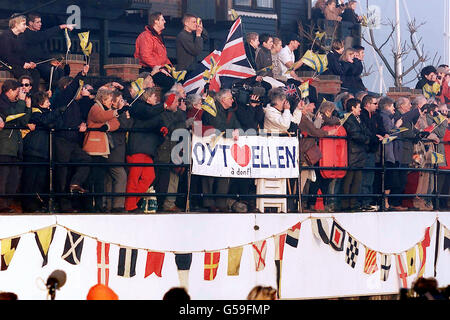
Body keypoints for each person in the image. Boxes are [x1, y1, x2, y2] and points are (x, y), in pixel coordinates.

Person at [52, 64, 91, 213]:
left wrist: (81, 125)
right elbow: (71, 89)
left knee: (86, 160)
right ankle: (64, 205)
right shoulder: (62, 99)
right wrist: (81, 74)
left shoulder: (75, 103)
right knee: (62, 172)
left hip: (73, 141)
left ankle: (75, 184)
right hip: (62, 140)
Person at [22, 91, 63, 213]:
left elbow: (57, 124)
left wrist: (56, 114)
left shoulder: (48, 113)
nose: (49, 103)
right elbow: (43, 121)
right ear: (40, 103)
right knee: (30, 180)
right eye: (47, 101)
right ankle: (28, 205)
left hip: (44, 151)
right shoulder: (35, 113)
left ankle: (38, 204)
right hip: (34, 150)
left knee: (41, 180)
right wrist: (56, 112)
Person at [125, 87, 165, 212]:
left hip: (148, 149)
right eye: (154, 96)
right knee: (134, 177)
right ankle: (129, 205)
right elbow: (148, 114)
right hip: (137, 147)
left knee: (149, 177)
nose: (156, 99)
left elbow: (155, 121)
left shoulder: (154, 111)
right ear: (147, 98)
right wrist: (164, 105)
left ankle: (132, 201)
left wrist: (162, 131)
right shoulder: (138, 107)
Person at [201, 89, 241, 212]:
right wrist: (231, 133)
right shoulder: (212, 110)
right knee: (209, 174)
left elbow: (238, 126)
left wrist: (238, 131)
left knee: (224, 173)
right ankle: (208, 202)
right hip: (211, 146)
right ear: (223, 100)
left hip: (225, 147)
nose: (233, 100)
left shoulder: (230, 112)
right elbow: (217, 126)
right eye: (230, 98)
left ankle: (221, 201)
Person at [82, 88, 122, 213]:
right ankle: (88, 205)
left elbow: (116, 124)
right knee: (92, 178)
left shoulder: (107, 110)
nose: (111, 102)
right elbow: (100, 117)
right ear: (103, 99)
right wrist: (116, 111)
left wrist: (107, 126)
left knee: (99, 180)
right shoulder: (95, 108)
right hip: (93, 149)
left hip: (102, 150)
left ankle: (98, 206)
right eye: (110, 100)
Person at [0, 80, 31, 213]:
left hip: (15, 146)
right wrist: (21, 102)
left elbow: (23, 121)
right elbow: (12, 116)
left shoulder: (16, 103)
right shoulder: (2, 102)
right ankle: (2, 205)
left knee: (13, 179)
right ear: (10, 90)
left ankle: (7, 204)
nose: (19, 94)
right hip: (4, 146)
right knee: (3, 178)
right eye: (17, 91)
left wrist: (28, 107)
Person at [155, 92, 186, 212]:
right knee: (160, 179)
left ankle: (167, 204)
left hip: (175, 150)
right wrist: (185, 123)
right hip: (164, 151)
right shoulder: (162, 113)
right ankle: (158, 203)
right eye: (176, 102)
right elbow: (171, 128)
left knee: (172, 178)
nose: (178, 104)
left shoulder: (177, 113)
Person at [22, 12, 73, 87]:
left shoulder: (37, 34)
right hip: (33, 63)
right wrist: (61, 26)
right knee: (52, 72)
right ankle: (51, 92)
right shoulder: (27, 33)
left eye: (40, 22)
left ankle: (58, 92)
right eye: (37, 22)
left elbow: (43, 52)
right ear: (30, 23)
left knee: (60, 71)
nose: (40, 24)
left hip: (42, 62)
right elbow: (43, 35)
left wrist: (51, 60)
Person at [104, 90, 133, 213]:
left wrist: (126, 115)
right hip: (113, 149)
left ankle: (108, 205)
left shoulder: (121, 114)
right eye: (120, 100)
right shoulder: (111, 113)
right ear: (114, 103)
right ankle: (118, 205)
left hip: (119, 150)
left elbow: (130, 125)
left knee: (110, 178)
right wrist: (122, 112)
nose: (123, 102)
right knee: (120, 176)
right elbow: (123, 126)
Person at [341, 98, 371, 211]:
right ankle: (345, 204)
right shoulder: (349, 119)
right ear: (352, 107)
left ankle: (353, 203)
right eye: (358, 107)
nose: (360, 109)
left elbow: (365, 130)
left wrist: (368, 137)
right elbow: (354, 134)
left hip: (359, 152)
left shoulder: (358, 118)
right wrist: (366, 140)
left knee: (357, 180)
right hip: (352, 152)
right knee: (349, 179)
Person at [134, 12, 175, 90]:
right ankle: (165, 101)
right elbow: (145, 56)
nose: (165, 22)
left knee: (178, 80)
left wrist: (170, 67)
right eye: (162, 20)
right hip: (148, 69)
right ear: (156, 21)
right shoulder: (146, 36)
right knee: (169, 82)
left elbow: (163, 57)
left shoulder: (158, 37)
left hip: (159, 68)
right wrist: (160, 68)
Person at [0, 15, 40, 94]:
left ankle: (33, 97)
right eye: (24, 24)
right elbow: (6, 56)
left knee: (35, 73)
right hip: (8, 64)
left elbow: (23, 53)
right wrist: (23, 64)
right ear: (16, 24)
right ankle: (23, 96)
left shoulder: (21, 36)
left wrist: (29, 62)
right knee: (26, 75)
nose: (26, 26)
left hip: (19, 63)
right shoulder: (6, 35)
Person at [377, 96, 402, 210]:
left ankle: (385, 201)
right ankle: (385, 202)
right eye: (392, 106)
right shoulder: (385, 117)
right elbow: (389, 133)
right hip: (386, 153)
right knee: (387, 178)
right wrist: (397, 127)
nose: (394, 109)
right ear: (387, 106)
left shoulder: (388, 116)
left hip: (389, 152)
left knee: (389, 178)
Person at [359, 94, 381, 211]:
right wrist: (375, 137)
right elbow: (366, 132)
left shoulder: (375, 116)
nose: (377, 106)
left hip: (372, 149)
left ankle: (367, 201)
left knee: (370, 177)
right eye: (375, 103)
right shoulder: (362, 116)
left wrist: (382, 134)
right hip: (365, 150)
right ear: (367, 104)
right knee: (365, 177)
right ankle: (364, 202)